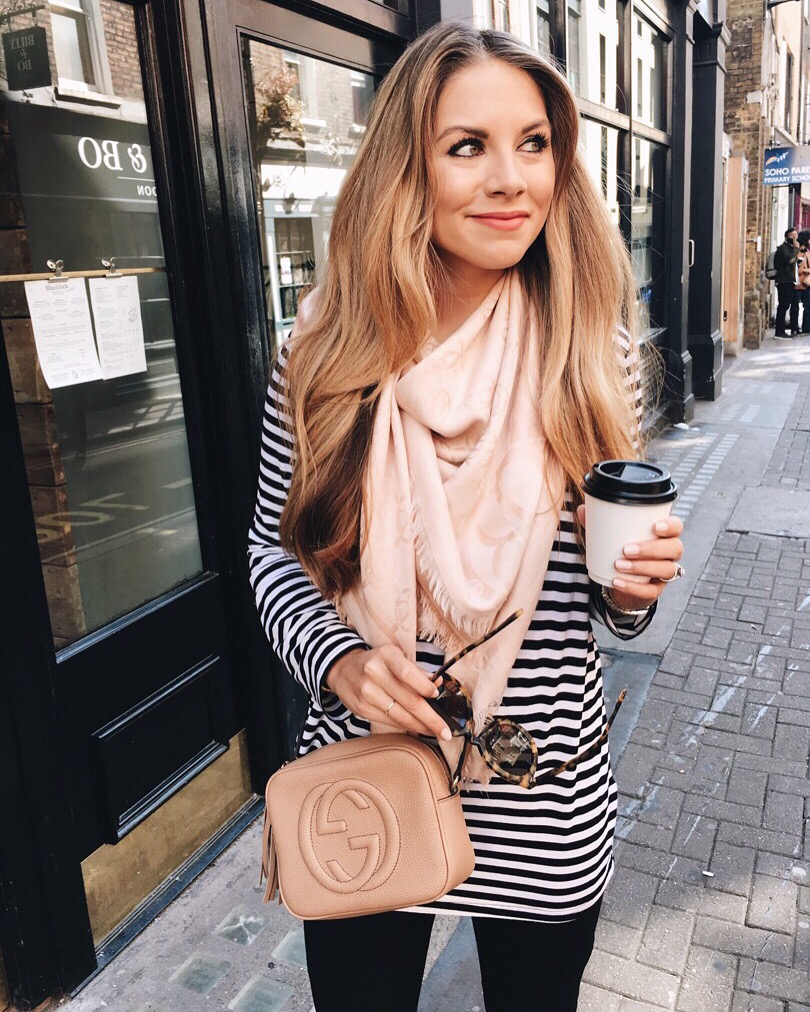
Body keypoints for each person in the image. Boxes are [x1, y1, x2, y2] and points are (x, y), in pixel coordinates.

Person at [247, 22, 685, 1012]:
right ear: (410, 167)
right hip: (369, 765)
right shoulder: (323, 360)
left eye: (534, 143)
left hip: (537, 778)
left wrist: (631, 592)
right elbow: (271, 556)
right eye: (467, 146)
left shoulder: (589, 356)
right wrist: (339, 658)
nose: (511, 179)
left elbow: (613, 613)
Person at [774, 226, 800, 337]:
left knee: (786, 305)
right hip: (783, 281)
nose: (794, 238)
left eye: (795, 236)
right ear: (787, 237)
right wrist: (796, 249)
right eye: (791, 236)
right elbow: (790, 260)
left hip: (789, 280)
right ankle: (779, 331)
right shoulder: (783, 248)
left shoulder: (789, 248)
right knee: (783, 305)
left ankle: (782, 329)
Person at [795, 230, 810, 335]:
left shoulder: (807, 252)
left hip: (806, 283)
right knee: (795, 307)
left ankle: (806, 327)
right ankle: (795, 328)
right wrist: (806, 270)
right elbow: (798, 269)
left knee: (808, 306)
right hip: (798, 283)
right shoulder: (799, 253)